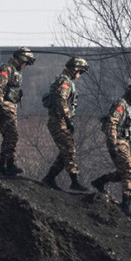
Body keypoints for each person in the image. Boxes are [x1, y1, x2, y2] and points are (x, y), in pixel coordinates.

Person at [91, 81, 131, 217]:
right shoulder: (120, 105)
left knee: (123, 173)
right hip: (118, 141)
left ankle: (100, 181)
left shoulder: (129, 107)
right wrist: (112, 144)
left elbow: (128, 129)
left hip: (124, 141)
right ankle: (125, 205)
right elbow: (112, 124)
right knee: (130, 171)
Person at [41, 56, 89, 191]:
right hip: (59, 121)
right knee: (69, 149)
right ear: (74, 69)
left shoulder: (65, 81)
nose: (80, 75)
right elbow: (61, 101)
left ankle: (50, 178)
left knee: (65, 152)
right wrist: (68, 120)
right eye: (80, 72)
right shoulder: (64, 82)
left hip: (61, 121)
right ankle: (75, 181)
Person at [0, 47, 36, 176]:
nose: (26, 66)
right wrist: (0, 105)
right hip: (4, 107)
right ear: (21, 59)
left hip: (11, 107)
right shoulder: (6, 69)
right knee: (12, 135)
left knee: (10, 136)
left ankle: (3, 166)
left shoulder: (16, 71)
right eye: (26, 62)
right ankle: (8, 164)